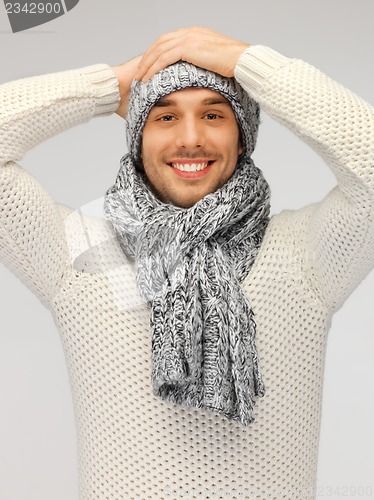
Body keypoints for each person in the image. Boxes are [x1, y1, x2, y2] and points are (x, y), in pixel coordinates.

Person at [0, 26, 373, 499]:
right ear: (137, 139)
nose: (190, 138)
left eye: (214, 114)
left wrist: (249, 64)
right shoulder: (78, 252)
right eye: (165, 116)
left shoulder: (304, 255)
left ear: (243, 138)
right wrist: (113, 86)